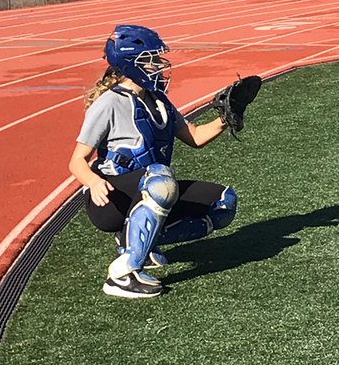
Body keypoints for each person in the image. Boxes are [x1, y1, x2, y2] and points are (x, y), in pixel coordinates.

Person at [69, 25, 237, 299]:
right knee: (159, 178)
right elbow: (77, 161)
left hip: (153, 187)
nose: (158, 65)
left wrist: (227, 117)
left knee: (223, 203)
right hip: (111, 199)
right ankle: (122, 275)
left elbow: (194, 137)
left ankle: (136, 242)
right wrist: (93, 181)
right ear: (130, 63)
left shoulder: (159, 102)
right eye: (150, 59)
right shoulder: (109, 102)